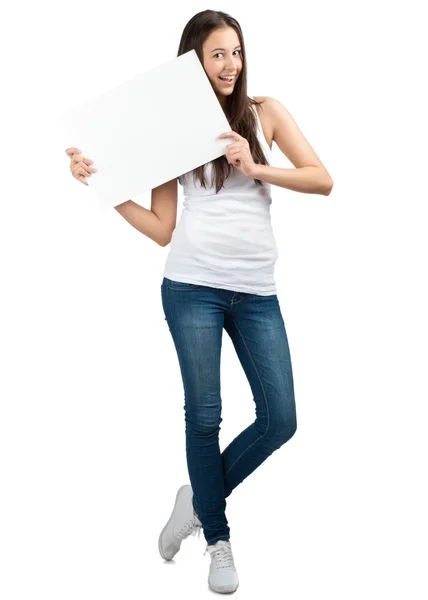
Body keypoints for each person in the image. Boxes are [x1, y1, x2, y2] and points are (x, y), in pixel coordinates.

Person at [65, 9, 333, 595]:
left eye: (235, 51)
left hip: (257, 292)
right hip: (192, 289)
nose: (230, 63)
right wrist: (105, 188)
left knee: (281, 419)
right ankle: (217, 538)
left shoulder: (266, 113)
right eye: (216, 54)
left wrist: (254, 163)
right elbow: (163, 227)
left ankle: (197, 498)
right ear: (194, 62)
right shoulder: (175, 132)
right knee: (204, 416)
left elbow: (322, 179)